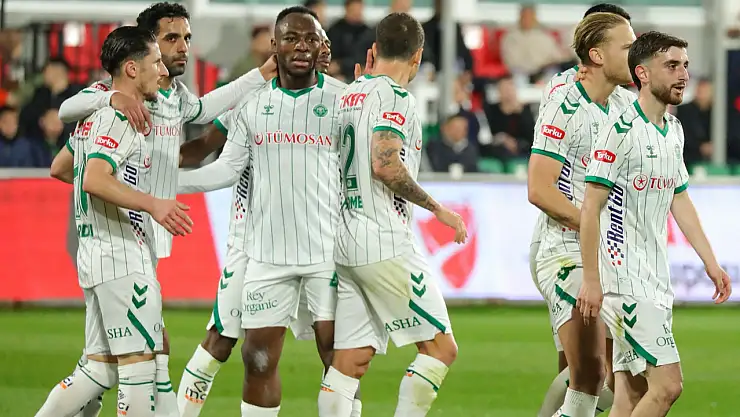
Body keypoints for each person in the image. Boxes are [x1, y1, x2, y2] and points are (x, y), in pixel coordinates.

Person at [56, 3, 271, 415]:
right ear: (147, 46)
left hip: (141, 236)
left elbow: (206, 110)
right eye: (171, 38)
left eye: (187, 37)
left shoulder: (173, 96)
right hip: (121, 236)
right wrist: (114, 98)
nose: (182, 47)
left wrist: (260, 76)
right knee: (140, 354)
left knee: (102, 364)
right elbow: (68, 113)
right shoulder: (116, 98)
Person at [176, 28, 364, 417]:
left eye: (314, 40)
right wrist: (160, 176)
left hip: (326, 249)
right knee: (234, 347)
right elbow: (212, 154)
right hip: (255, 245)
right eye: (293, 38)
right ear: (275, 46)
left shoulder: (343, 100)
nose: (305, 47)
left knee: (337, 353)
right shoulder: (250, 100)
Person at [37, 25, 191, 417]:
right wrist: (152, 205)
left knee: (99, 369)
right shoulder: (120, 119)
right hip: (122, 259)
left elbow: (61, 167)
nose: (163, 71)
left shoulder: (94, 117)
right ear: (132, 69)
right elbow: (93, 179)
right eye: (156, 62)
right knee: (139, 369)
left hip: (96, 256)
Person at [318, 12, 467, 417]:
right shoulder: (397, 97)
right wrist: (437, 209)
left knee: (350, 360)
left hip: (346, 240)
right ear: (417, 56)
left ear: (374, 49)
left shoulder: (350, 93)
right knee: (440, 349)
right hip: (383, 240)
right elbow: (384, 163)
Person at [579, 31, 732, 417]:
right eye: (672, 66)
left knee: (631, 394)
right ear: (643, 74)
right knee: (667, 386)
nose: (683, 75)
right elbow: (590, 207)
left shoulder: (673, 131)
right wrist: (592, 280)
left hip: (655, 279)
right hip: (625, 283)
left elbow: (680, 199)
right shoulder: (619, 132)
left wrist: (710, 262)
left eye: (685, 66)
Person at [529, 4, 637, 417]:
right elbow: (539, 188)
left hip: (608, 256)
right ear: (596, 53)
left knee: (594, 375)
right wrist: (594, 229)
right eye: (627, 45)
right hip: (564, 248)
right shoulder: (563, 96)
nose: (635, 53)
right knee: (594, 372)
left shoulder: (625, 106)